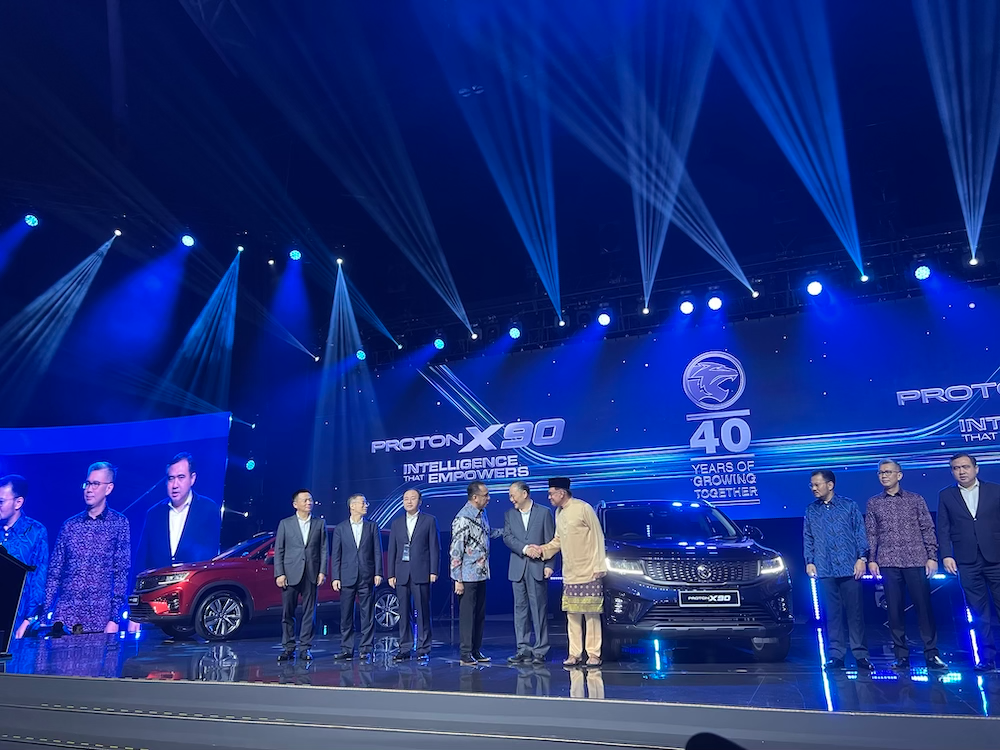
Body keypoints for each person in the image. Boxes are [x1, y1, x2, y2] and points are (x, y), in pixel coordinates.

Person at [865, 459, 947, 670]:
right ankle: (901, 655)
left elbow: (927, 528)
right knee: (894, 611)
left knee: (924, 608)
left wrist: (932, 556)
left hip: (916, 559)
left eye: (888, 472)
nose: (884, 476)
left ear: (899, 475)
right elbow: (871, 533)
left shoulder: (915, 499)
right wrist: (872, 559)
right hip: (888, 561)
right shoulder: (874, 502)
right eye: (881, 472)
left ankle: (931, 653)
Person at [528, 477, 606, 667]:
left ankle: (593, 654)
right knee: (572, 614)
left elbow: (598, 536)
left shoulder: (583, 508)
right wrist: (542, 549)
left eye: (551, 494)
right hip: (570, 572)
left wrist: (599, 565)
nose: (549, 497)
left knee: (591, 614)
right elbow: (558, 540)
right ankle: (574, 653)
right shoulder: (559, 513)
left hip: (589, 570)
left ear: (561, 493)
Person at [44, 462, 130, 634]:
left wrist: (114, 619)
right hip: (65, 619)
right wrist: (43, 613)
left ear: (109, 488)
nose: (89, 489)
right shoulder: (70, 525)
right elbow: (54, 573)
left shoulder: (119, 524)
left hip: (99, 620)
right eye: (87, 483)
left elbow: (121, 573)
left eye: (95, 484)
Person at [803, 469, 873, 671]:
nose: (814, 488)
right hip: (825, 568)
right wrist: (809, 561)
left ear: (830, 485)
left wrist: (862, 558)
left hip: (850, 567)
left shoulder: (849, 506)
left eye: (817, 484)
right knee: (832, 614)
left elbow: (860, 533)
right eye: (811, 485)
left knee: (855, 614)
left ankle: (860, 655)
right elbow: (808, 537)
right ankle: (836, 655)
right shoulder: (811, 510)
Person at [938, 453, 1000, 671]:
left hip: (996, 557)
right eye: (956, 468)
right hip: (967, 561)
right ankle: (987, 658)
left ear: (976, 469)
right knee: (978, 612)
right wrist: (946, 554)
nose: (961, 471)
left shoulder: (995, 490)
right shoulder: (946, 495)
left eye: (965, 467)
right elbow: (943, 527)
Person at [135, 452, 221, 573]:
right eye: (171, 478)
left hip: (195, 581)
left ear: (192, 478)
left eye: (181, 477)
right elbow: (141, 560)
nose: (175, 485)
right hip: (158, 583)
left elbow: (214, 555)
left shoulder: (209, 509)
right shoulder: (154, 514)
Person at [502, 481, 555, 664]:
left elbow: (551, 541)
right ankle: (523, 649)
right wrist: (525, 549)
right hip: (517, 568)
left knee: (539, 609)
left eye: (513, 495)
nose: (511, 499)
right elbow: (507, 537)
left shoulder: (544, 512)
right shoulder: (509, 514)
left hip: (537, 568)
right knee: (520, 610)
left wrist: (549, 565)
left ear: (524, 494)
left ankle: (540, 650)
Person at [450, 481, 502, 666]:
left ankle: (475, 650)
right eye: (485, 495)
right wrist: (457, 579)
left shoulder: (482, 513)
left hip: (481, 573)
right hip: (467, 575)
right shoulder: (463, 518)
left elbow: (486, 534)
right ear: (475, 497)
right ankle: (465, 653)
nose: (488, 498)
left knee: (479, 614)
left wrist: (507, 532)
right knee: (468, 616)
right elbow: (456, 550)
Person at [274, 489, 327, 661]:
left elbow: (323, 549)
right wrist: (279, 573)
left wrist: (322, 571)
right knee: (287, 612)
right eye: (305, 500)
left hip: (311, 573)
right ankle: (288, 647)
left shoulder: (319, 523)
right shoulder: (285, 524)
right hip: (290, 573)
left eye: (310, 500)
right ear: (295, 504)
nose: (309, 503)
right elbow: (279, 550)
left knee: (309, 612)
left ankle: (305, 648)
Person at [387, 488, 440, 662]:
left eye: (413, 498)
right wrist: (391, 573)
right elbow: (393, 550)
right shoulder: (396, 523)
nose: (409, 501)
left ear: (420, 501)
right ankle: (405, 648)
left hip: (422, 571)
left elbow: (434, 547)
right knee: (403, 612)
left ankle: (424, 648)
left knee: (423, 611)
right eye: (406, 499)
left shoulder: (429, 520)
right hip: (401, 573)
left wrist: (433, 571)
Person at [331, 493, 383, 661]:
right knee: (346, 614)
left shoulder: (372, 526)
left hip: (366, 575)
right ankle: (346, 648)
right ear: (352, 506)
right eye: (363, 503)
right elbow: (336, 554)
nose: (366, 505)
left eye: (366, 502)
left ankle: (366, 648)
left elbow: (377, 551)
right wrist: (335, 577)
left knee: (367, 614)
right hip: (347, 576)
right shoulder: (341, 528)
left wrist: (378, 572)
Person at [0, 475, 49, 640]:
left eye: (1, 502)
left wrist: (28, 619)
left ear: (18, 502)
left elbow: (39, 578)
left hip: (17, 619)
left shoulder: (35, 532)